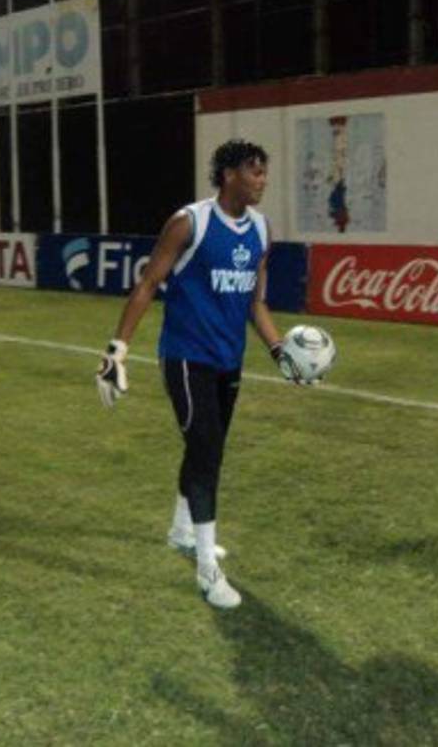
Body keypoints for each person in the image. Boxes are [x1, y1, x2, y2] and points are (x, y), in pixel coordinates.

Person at [95, 138, 303, 609]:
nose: (262, 180)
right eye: (254, 171)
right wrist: (116, 351)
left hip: (229, 359)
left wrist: (279, 351)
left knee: (206, 448)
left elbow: (255, 302)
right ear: (228, 175)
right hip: (186, 357)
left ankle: (182, 531)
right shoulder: (190, 222)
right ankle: (209, 571)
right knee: (206, 450)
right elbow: (149, 283)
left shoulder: (261, 230)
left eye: (264, 172)